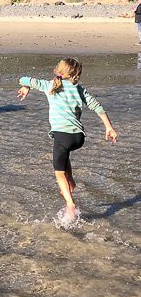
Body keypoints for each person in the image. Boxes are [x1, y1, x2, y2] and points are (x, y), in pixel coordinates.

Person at [17, 57, 118, 219]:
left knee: (58, 173)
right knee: (65, 157)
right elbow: (97, 107)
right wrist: (109, 127)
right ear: (76, 75)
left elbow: (23, 78)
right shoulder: (79, 89)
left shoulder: (49, 85)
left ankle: (70, 204)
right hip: (78, 138)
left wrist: (25, 86)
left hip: (62, 137)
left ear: (58, 71)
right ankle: (70, 181)